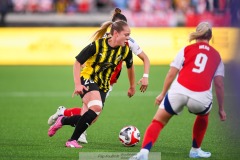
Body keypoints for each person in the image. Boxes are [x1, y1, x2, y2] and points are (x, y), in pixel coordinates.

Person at [47, 8, 150, 143]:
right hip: (91, 79)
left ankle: (64, 115)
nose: (128, 36)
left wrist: (137, 82)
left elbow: (134, 64)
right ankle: (75, 137)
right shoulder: (101, 42)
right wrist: (82, 79)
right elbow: (81, 61)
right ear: (115, 31)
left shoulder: (128, 44)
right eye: (125, 33)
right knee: (93, 108)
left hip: (107, 83)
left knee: (92, 116)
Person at [129, 22, 226, 160]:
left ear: (197, 34)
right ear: (210, 37)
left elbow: (171, 73)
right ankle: (195, 150)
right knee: (203, 115)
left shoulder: (186, 49)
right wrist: (221, 108)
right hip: (200, 96)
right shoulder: (217, 56)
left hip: (179, 91)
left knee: (158, 121)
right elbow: (219, 84)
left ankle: (144, 153)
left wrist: (163, 93)